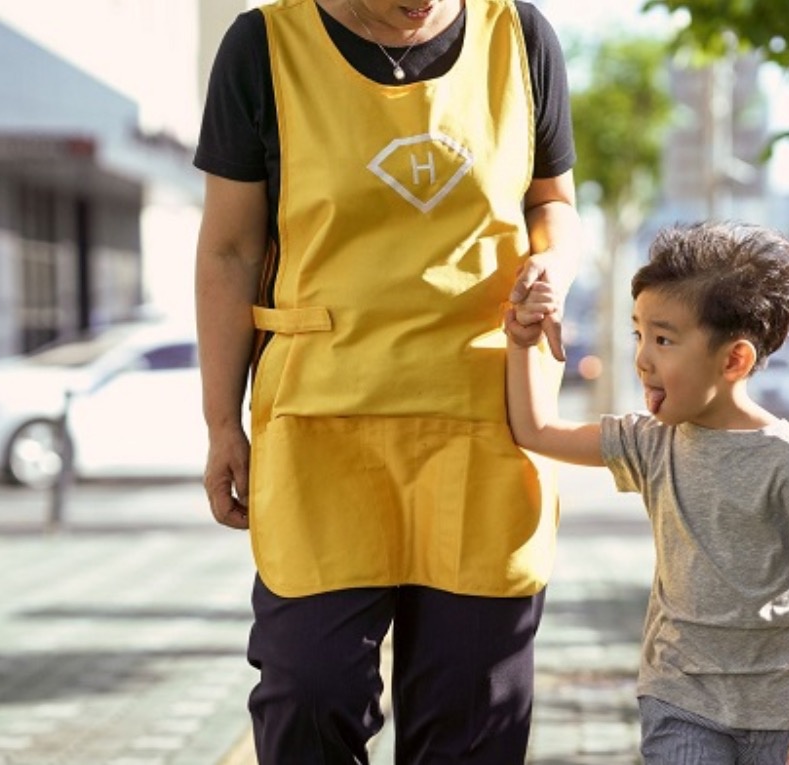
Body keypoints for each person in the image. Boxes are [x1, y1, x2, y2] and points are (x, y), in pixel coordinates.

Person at [192, 0, 582, 762]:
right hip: (321, 425)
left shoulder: (519, 36)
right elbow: (230, 251)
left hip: (483, 421)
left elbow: (552, 202)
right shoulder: (266, 47)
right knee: (309, 695)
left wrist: (553, 263)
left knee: (472, 720)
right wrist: (220, 424)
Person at [504, 220, 789, 765]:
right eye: (638, 334)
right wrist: (522, 343)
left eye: (663, 339)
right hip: (680, 699)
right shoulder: (651, 440)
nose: (642, 357)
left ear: (733, 360)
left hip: (788, 709)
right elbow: (536, 431)